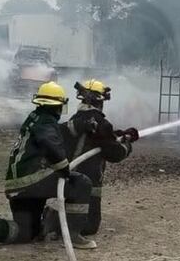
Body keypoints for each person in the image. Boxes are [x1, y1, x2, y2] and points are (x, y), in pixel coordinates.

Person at [0, 82, 96, 250]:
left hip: (16, 186)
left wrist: (81, 126)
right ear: (58, 106)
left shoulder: (35, 118)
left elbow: (53, 132)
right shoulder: (45, 123)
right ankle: (74, 236)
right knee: (81, 183)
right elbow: (50, 142)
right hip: (33, 182)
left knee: (26, 232)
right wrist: (65, 169)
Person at [45, 79, 139, 241]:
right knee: (90, 226)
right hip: (86, 180)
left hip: (69, 177)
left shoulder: (76, 120)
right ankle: (54, 222)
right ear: (100, 101)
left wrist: (120, 135)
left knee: (76, 209)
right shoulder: (100, 123)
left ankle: (56, 218)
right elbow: (114, 153)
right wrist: (127, 145)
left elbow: (101, 139)